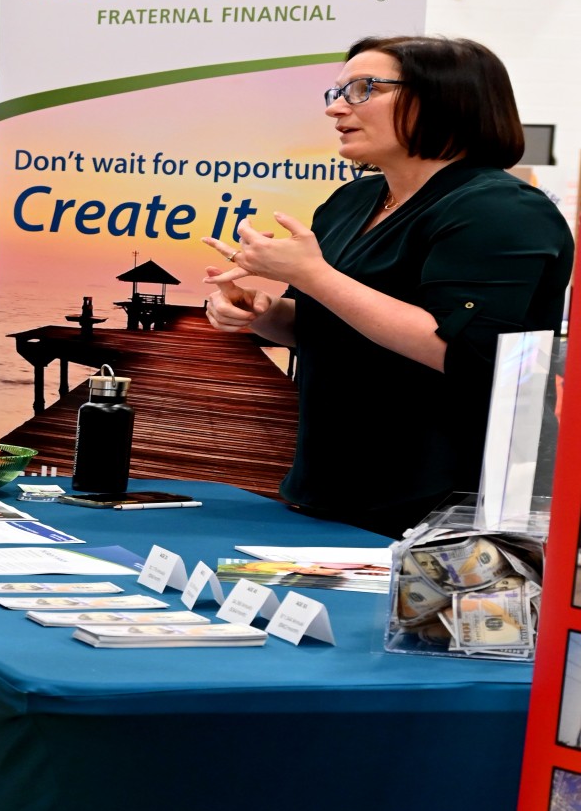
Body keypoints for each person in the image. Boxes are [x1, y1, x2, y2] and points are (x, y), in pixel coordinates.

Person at [203, 35, 573, 540]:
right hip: (332, 485)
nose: (336, 108)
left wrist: (315, 276)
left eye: (364, 89)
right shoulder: (351, 201)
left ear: (444, 99)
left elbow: (465, 351)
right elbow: (324, 321)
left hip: (447, 507)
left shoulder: (501, 209)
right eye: (336, 92)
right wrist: (264, 313)